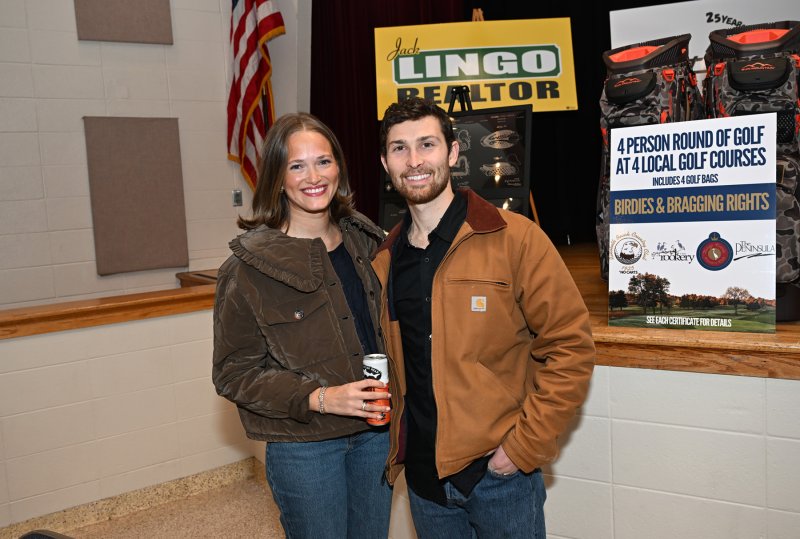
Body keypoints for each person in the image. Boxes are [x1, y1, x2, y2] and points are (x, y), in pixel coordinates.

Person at [372, 97, 595, 538]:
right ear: (385, 162)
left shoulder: (516, 239)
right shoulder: (384, 260)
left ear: (453, 153)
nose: (414, 161)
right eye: (400, 148)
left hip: (500, 479)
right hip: (424, 484)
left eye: (427, 144)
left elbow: (571, 346)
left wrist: (520, 448)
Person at [212, 112, 392, 539]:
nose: (314, 176)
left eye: (324, 161)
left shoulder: (367, 241)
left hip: (376, 437)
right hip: (306, 449)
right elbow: (233, 374)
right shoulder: (246, 270)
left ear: (339, 169)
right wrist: (320, 398)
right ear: (277, 178)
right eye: (297, 165)